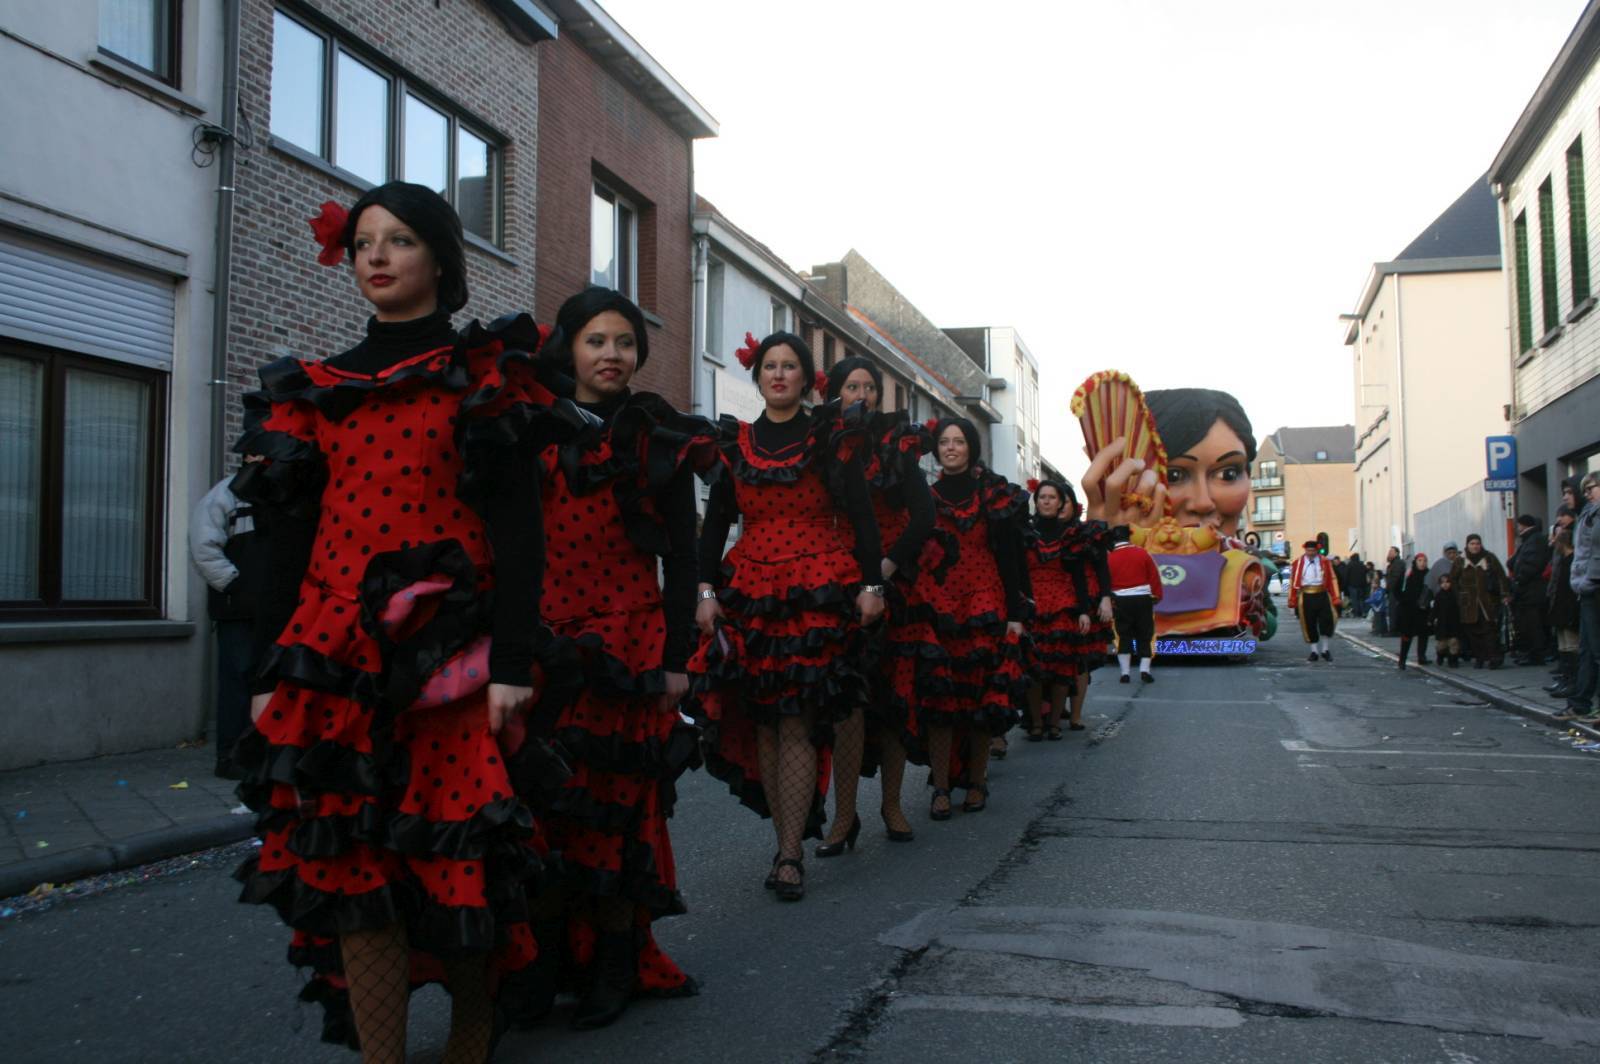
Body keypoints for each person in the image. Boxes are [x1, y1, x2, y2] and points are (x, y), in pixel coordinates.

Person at [231, 182, 555, 1061]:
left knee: (459, 854)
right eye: (364, 241)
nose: (376, 256)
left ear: (440, 258)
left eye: (400, 239)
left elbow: (520, 533)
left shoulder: (483, 379)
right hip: (334, 659)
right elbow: (284, 547)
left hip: (454, 659)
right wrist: (267, 671)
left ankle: (473, 1028)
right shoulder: (314, 392)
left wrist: (513, 663)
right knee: (355, 861)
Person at [509, 287, 714, 1029]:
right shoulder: (530, 424)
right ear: (568, 346)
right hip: (544, 643)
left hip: (628, 645)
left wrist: (677, 658)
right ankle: (547, 963)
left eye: (625, 342)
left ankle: (618, 961)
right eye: (597, 340)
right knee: (545, 808)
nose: (612, 354)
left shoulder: (660, 438)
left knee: (618, 811)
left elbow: (683, 559)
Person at [690, 332, 884, 902]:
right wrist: (706, 591)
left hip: (816, 591)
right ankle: (785, 840)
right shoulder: (734, 443)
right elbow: (715, 525)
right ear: (757, 376)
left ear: (807, 379)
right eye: (769, 366)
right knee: (764, 721)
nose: (778, 374)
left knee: (796, 718)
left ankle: (790, 854)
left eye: (789, 366)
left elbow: (862, 517)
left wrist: (872, 585)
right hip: (751, 590)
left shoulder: (832, 438)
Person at [815, 355, 934, 853]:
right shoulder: (821, 437)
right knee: (847, 705)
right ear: (835, 392)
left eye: (868, 387)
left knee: (892, 699)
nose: (860, 395)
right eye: (851, 386)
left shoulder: (896, 443)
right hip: (833, 580)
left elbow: (923, 517)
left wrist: (886, 567)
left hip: (892, 579)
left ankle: (891, 805)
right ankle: (844, 817)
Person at [913, 417, 1030, 818]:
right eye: (944, 441)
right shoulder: (924, 495)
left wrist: (1015, 613)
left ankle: (978, 781)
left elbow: (1010, 556)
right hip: (940, 603)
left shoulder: (993, 495)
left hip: (985, 601)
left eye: (959, 441)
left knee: (981, 696)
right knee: (941, 699)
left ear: (971, 448)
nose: (950, 447)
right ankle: (941, 786)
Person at [188, 475, 266, 780]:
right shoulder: (228, 493)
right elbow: (203, 543)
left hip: (270, 607)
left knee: (264, 680)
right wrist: (234, 585)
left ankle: (260, 756)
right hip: (238, 609)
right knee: (238, 680)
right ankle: (232, 756)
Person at [1023, 478, 1097, 737]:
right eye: (1042, 497)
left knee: (1061, 667)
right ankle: (1036, 723)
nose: (1046, 501)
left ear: (1061, 503)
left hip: (1063, 604)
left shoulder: (1071, 536)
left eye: (1052, 497)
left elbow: (1079, 576)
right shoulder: (1025, 532)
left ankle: (1054, 723)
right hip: (1032, 603)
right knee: (1033, 666)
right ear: (1036, 501)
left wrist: (1084, 611)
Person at [1562, 473, 1600, 720]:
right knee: (1587, 649)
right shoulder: (1588, 514)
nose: (1587, 494)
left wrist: (1586, 581)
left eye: (1590, 488)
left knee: (1595, 650)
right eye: (1584, 490)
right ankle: (1580, 703)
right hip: (1587, 588)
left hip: (1593, 587)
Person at [1106, 524, 1162, 681]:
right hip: (1142, 599)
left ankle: (1125, 673)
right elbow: (1154, 576)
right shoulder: (1142, 553)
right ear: (1129, 537)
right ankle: (1145, 670)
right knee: (1145, 634)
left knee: (1123, 635)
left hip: (1120, 600)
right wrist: (1157, 595)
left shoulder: (1110, 558)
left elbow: (1105, 581)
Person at [1451, 533, 1508, 669]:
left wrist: (1504, 594)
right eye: (1472, 544)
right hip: (1468, 603)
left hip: (1487, 601)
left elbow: (1501, 576)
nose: (1475, 546)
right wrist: (1459, 596)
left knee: (1489, 630)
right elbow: (1453, 580)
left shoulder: (1489, 558)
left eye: (1477, 543)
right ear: (1467, 545)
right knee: (1473, 632)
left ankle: (1494, 658)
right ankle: (1479, 657)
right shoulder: (1460, 561)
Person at [1508, 514, 1550, 666]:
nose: (1517, 528)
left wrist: (1520, 580)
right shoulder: (1528, 540)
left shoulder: (1534, 540)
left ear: (1523, 525)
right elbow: (1514, 562)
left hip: (1531, 590)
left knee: (1533, 625)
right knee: (1528, 624)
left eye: (1518, 525)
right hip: (1528, 590)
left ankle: (1536, 655)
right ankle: (1532, 653)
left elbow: (1532, 565)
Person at [1289, 538, 1340, 661]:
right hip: (1306, 595)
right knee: (1309, 623)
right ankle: (1314, 651)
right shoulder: (1297, 563)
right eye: (1308, 550)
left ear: (1317, 550)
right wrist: (1292, 599)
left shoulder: (1325, 562)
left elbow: (1332, 579)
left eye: (1313, 550)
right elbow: (1292, 582)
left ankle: (1325, 650)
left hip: (1322, 594)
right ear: (1305, 550)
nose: (1310, 553)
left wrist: (1336, 597)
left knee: (1327, 621)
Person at [1547, 527, 1580, 701]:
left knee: (1572, 647)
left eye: (1555, 540)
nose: (1552, 543)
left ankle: (1573, 682)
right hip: (1561, 610)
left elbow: (1570, 592)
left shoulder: (1572, 561)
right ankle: (1566, 679)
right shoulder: (1563, 561)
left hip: (1569, 612)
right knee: (1564, 647)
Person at [1395, 553, 1433, 670]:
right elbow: (1396, 589)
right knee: (1407, 635)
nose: (1422, 563)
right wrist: (1403, 600)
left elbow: (1432, 589)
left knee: (1423, 634)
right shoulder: (1408, 573)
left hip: (1423, 610)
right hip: (1408, 610)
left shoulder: (1429, 574)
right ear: (1415, 562)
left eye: (1424, 561)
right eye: (1420, 560)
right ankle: (1402, 659)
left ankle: (1421, 657)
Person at [1431, 571, 1463, 666]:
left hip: (1454, 623)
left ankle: (1453, 660)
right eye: (1443, 582)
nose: (1445, 584)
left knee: (1454, 643)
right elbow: (1435, 609)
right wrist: (1431, 619)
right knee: (1442, 644)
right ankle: (1440, 656)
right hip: (1442, 624)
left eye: (1447, 582)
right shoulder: (1439, 596)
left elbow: (1459, 608)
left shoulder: (1455, 595)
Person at [1383, 546, 1406, 637]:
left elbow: (1395, 578)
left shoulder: (1398, 563)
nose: (1389, 553)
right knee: (1393, 611)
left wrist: (1389, 588)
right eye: (1389, 551)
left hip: (1395, 591)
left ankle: (1394, 630)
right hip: (1393, 590)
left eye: (1391, 552)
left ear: (1396, 553)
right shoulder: (1393, 564)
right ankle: (1394, 629)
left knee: (1394, 611)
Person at [1344, 553, 1368, 618]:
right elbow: (1366, 573)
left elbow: (1346, 575)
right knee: (1361, 599)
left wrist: (1345, 585)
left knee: (1354, 599)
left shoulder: (1349, 565)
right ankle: (1363, 612)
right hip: (1361, 586)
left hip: (1352, 585)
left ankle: (1356, 613)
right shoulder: (1362, 565)